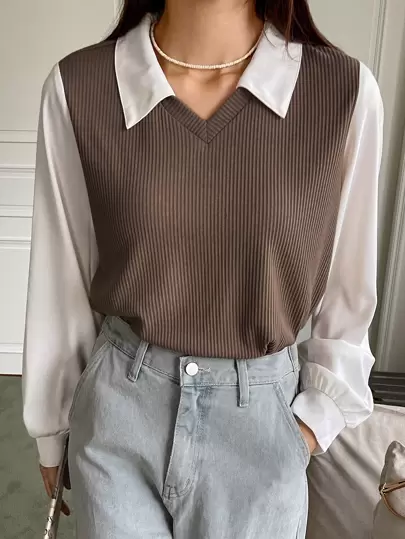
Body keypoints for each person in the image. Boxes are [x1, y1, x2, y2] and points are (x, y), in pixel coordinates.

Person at [22, 0, 384, 537]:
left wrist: (309, 425)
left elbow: (350, 294)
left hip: (262, 427)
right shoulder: (80, 88)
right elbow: (63, 278)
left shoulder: (342, 93)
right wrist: (52, 427)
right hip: (119, 414)